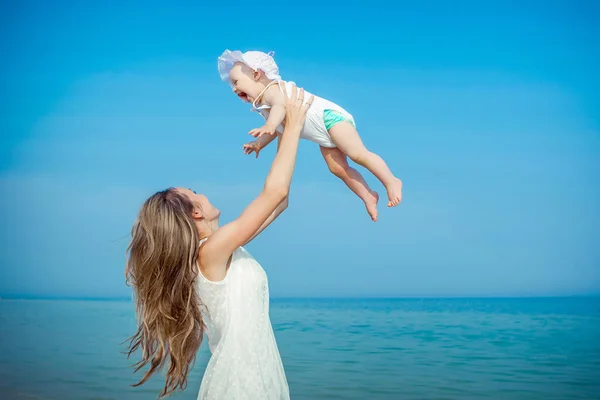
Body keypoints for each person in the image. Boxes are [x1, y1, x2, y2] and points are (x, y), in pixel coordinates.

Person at [125, 84, 314, 399]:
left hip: (256, 372)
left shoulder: (222, 249)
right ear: (196, 213)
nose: (201, 192)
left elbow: (280, 202)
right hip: (242, 381)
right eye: (194, 192)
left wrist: (283, 129)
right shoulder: (211, 251)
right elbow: (275, 193)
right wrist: (293, 125)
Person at [218, 49, 403, 222]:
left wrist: (269, 124)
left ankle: (391, 181)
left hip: (330, 119)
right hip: (323, 135)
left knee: (358, 154)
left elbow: (280, 109)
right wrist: (259, 143)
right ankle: (368, 195)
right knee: (337, 168)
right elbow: (278, 129)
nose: (234, 89)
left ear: (257, 74)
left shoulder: (274, 90)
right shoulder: (264, 106)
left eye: (236, 82)